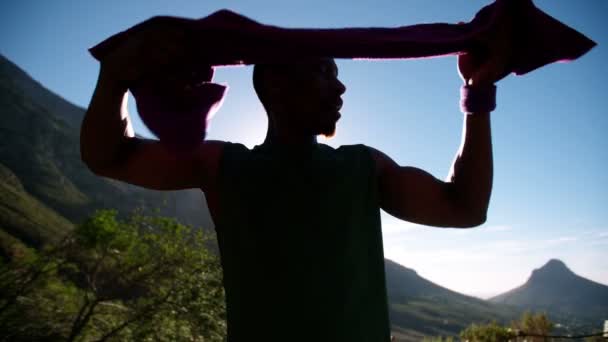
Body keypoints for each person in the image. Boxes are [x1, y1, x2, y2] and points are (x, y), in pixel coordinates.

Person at [81, 23, 510, 342]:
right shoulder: (224, 166)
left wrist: (478, 94)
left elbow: (465, 208)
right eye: (325, 71)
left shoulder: (363, 167)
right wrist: (115, 77)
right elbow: (107, 154)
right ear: (275, 85)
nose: (341, 87)